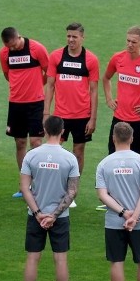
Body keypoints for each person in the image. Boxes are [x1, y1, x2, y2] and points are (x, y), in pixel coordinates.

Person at [17, 115, 80, 281]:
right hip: (59, 218)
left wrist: (37, 213)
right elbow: (72, 192)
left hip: (35, 215)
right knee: (60, 260)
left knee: (33, 259)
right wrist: (53, 215)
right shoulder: (70, 158)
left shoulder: (31, 155)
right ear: (62, 132)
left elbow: (24, 188)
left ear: (44, 130)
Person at [94, 122, 140, 281]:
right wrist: (134, 216)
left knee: (116, 262)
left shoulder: (105, 164)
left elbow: (102, 195)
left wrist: (123, 213)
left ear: (113, 138)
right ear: (131, 138)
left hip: (114, 221)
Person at [43, 22, 100, 201]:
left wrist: (93, 118)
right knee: (54, 150)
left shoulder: (91, 59)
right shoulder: (56, 56)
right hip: (60, 115)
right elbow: (50, 86)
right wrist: (46, 113)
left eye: (74, 36)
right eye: (68, 36)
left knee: (78, 152)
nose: (71, 39)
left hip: (82, 115)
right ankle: (55, 186)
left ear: (82, 37)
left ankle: (72, 191)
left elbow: (94, 90)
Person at [0, 26, 49, 197]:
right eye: (9, 47)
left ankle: (39, 184)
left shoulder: (37, 49)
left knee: (36, 142)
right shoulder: (4, 53)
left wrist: (36, 85)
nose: (12, 49)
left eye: (14, 45)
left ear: (18, 37)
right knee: (20, 143)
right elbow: (7, 74)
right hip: (16, 103)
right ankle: (25, 184)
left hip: (36, 103)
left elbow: (48, 72)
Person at [102, 25, 140, 156]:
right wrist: (109, 99)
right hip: (119, 117)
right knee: (113, 155)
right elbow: (106, 78)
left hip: (139, 120)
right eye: (128, 41)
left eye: (134, 42)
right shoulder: (117, 58)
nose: (130, 44)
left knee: (138, 158)